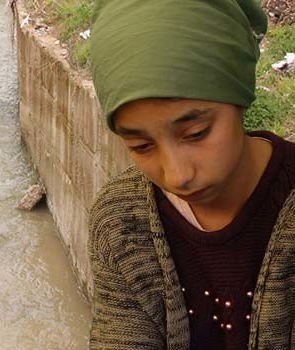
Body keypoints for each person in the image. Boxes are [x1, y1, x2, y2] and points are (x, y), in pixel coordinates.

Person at [87, 1, 294, 349]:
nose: (177, 175)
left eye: (197, 133)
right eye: (140, 145)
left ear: (240, 97)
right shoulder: (122, 221)